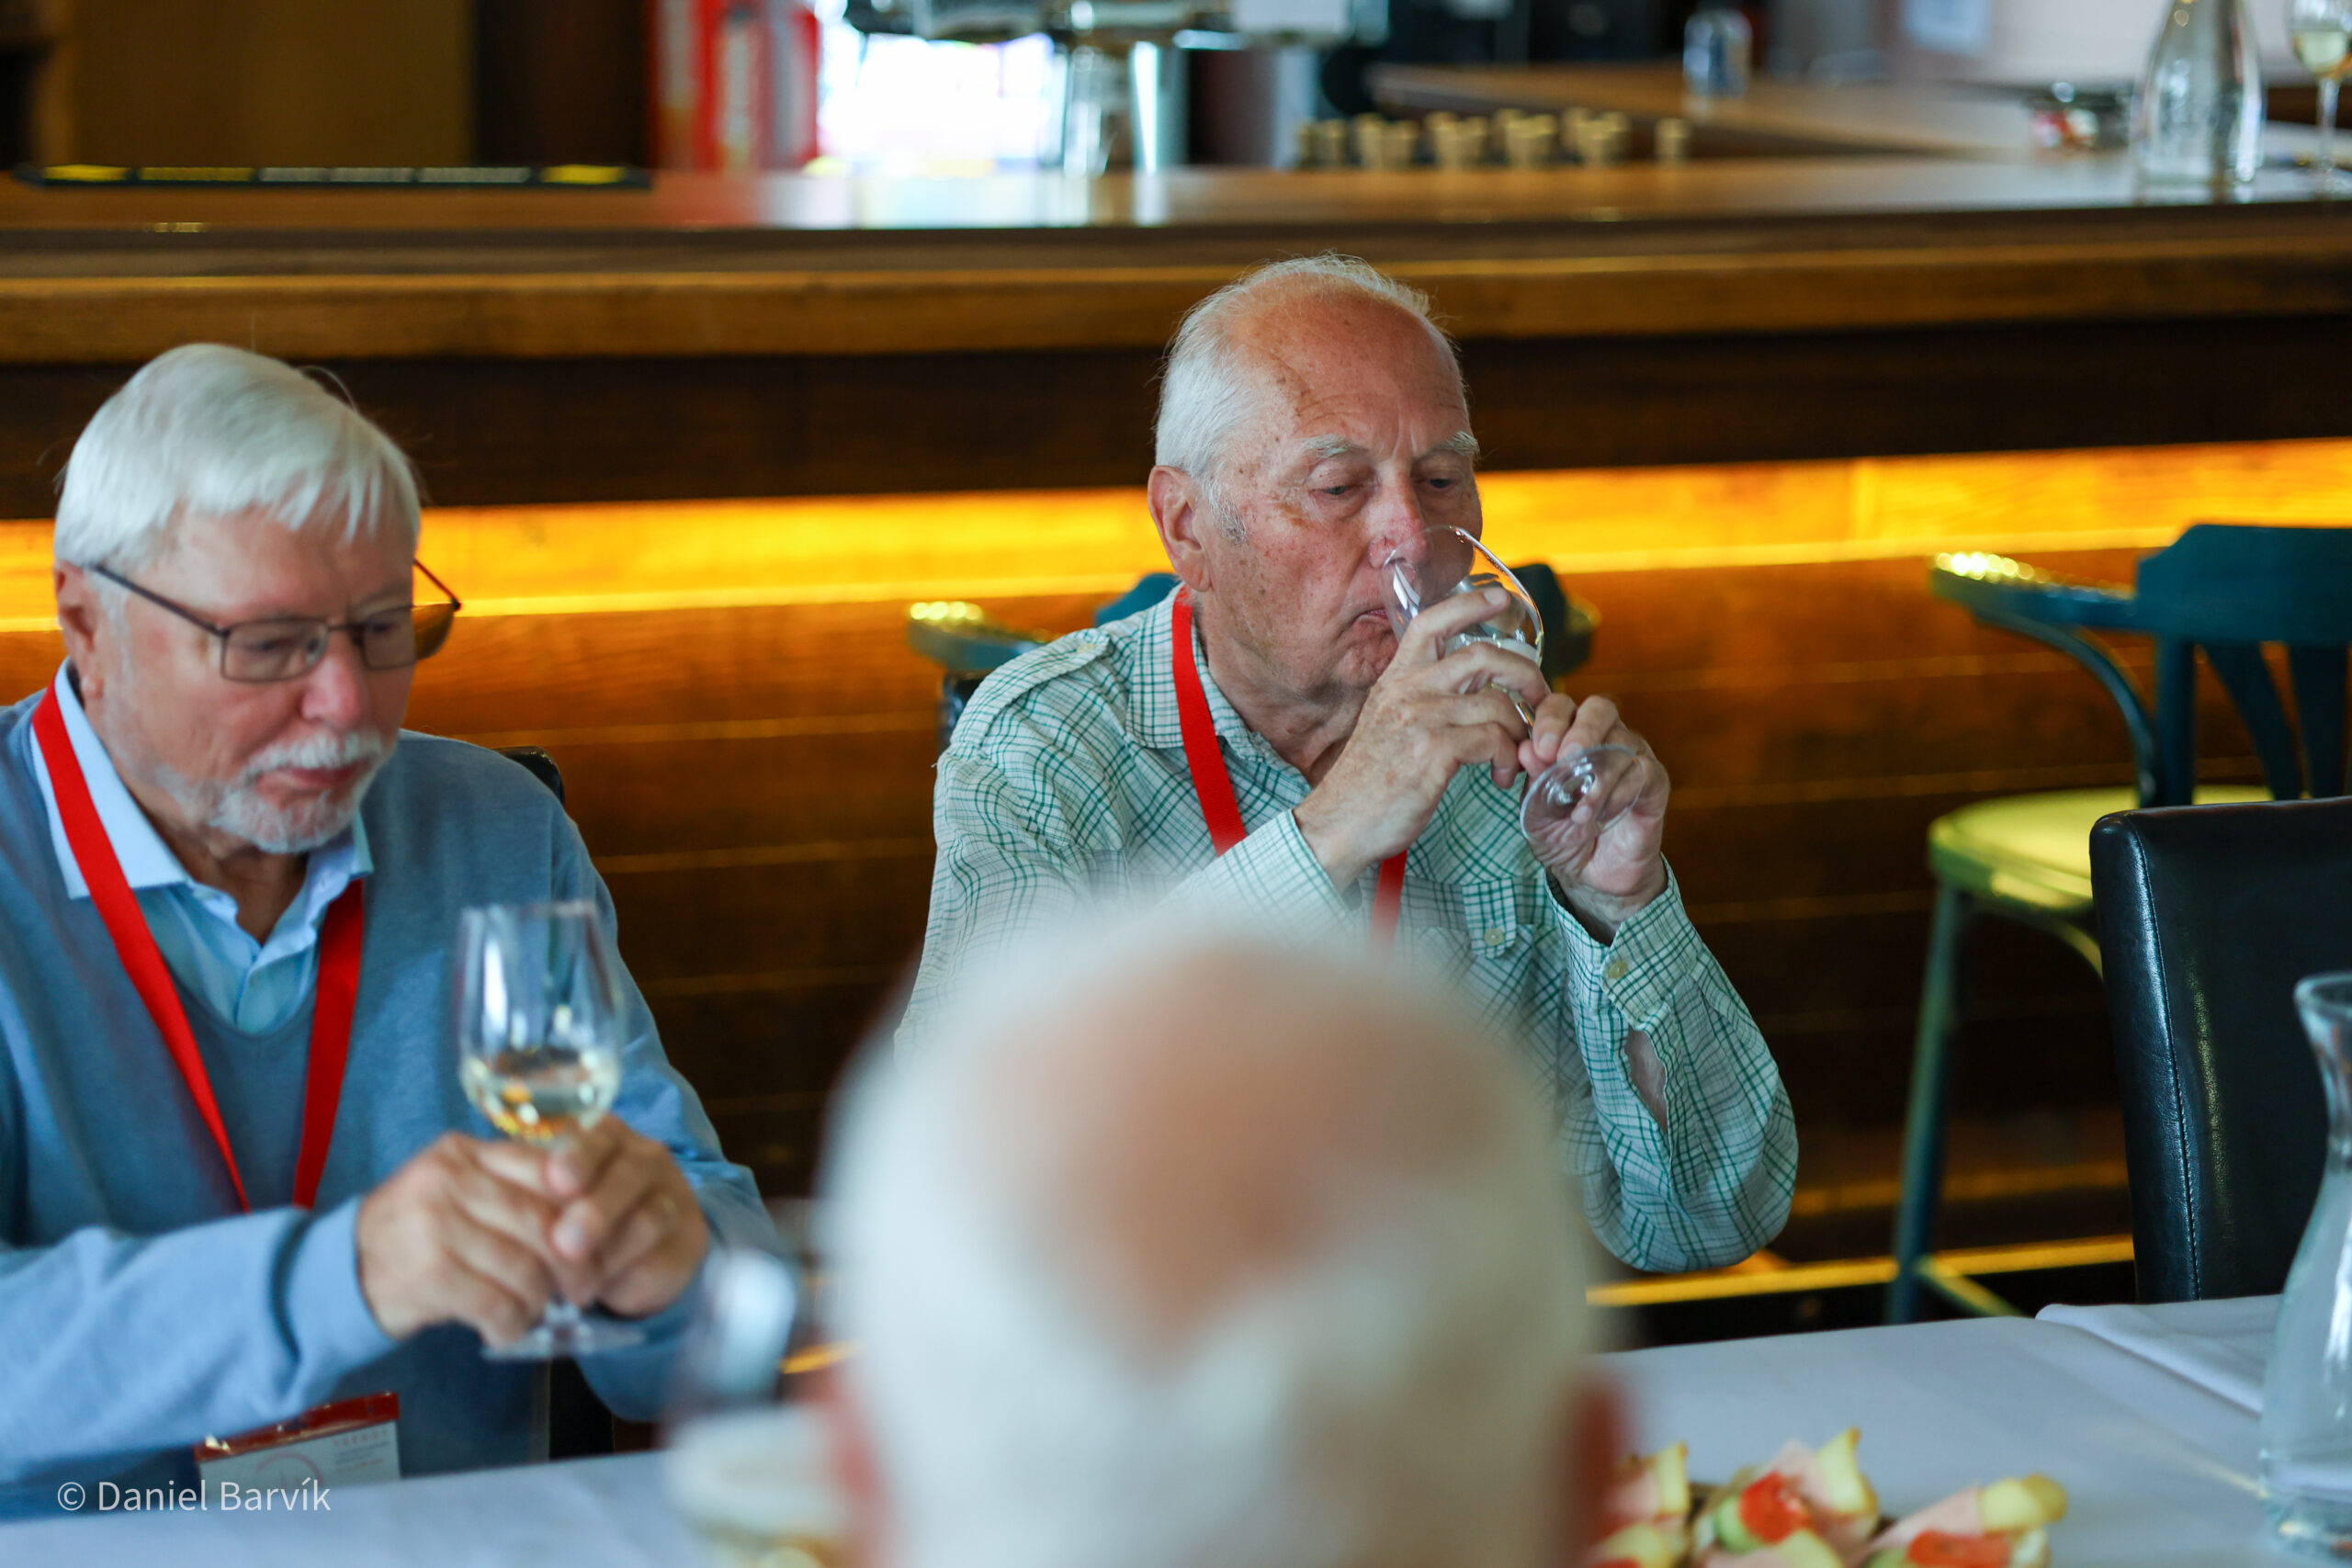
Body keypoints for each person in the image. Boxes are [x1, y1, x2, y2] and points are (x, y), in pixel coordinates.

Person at [906, 254, 1794, 1274]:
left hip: (1443, 1347)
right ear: (1187, 527)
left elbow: (1712, 1218)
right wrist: (1330, 832)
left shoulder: (1500, 750)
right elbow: (968, 1177)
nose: (1410, 537)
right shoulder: (1044, 744)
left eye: (1441, 480)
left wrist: (1618, 911)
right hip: (1153, 1349)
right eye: (1337, 486)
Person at [0, 344, 767, 1515]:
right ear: (85, 623)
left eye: (381, 629)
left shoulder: (496, 832)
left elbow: (718, 1300)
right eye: (269, 645)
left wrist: (672, 1274)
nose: (347, 704)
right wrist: (344, 1276)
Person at [830, 919, 1622, 1568]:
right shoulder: (1021, 772)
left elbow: (1681, 1221)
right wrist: (1334, 828)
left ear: (856, 1478)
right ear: (1591, 1485)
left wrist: (1620, 910)